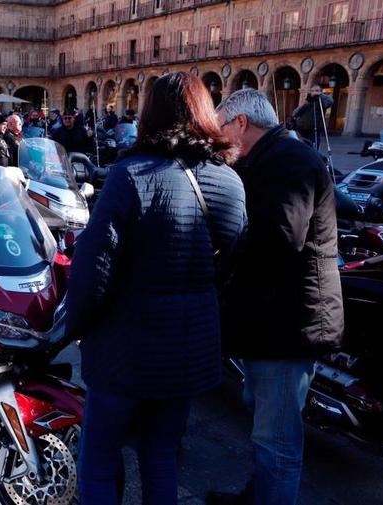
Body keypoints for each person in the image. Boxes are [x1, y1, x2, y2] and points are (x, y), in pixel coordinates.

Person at [67, 71, 247, 505]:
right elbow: (232, 259)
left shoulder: (131, 175)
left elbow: (95, 266)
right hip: (187, 349)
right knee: (162, 457)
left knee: (98, 460)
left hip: (123, 349)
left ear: (151, 112)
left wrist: (74, 325)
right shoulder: (229, 181)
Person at [206, 89, 343, 505]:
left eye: (221, 128)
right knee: (265, 425)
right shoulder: (272, 158)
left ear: (241, 124)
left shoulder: (288, 162)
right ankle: (257, 495)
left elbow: (280, 238)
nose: (218, 138)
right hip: (273, 320)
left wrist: (223, 248)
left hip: (289, 325)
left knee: (278, 441)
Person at [291, 84, 333, 150]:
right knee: (303, 147)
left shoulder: (322, 101)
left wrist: (320, 95)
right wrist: (304, 104)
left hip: (314, 129)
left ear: (321, 91)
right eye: (312, 91)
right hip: (302, 128)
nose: (314, 92)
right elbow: (295, 113)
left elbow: (330, 101)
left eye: (317, 90)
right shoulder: (308, 101)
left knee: (313, 147)